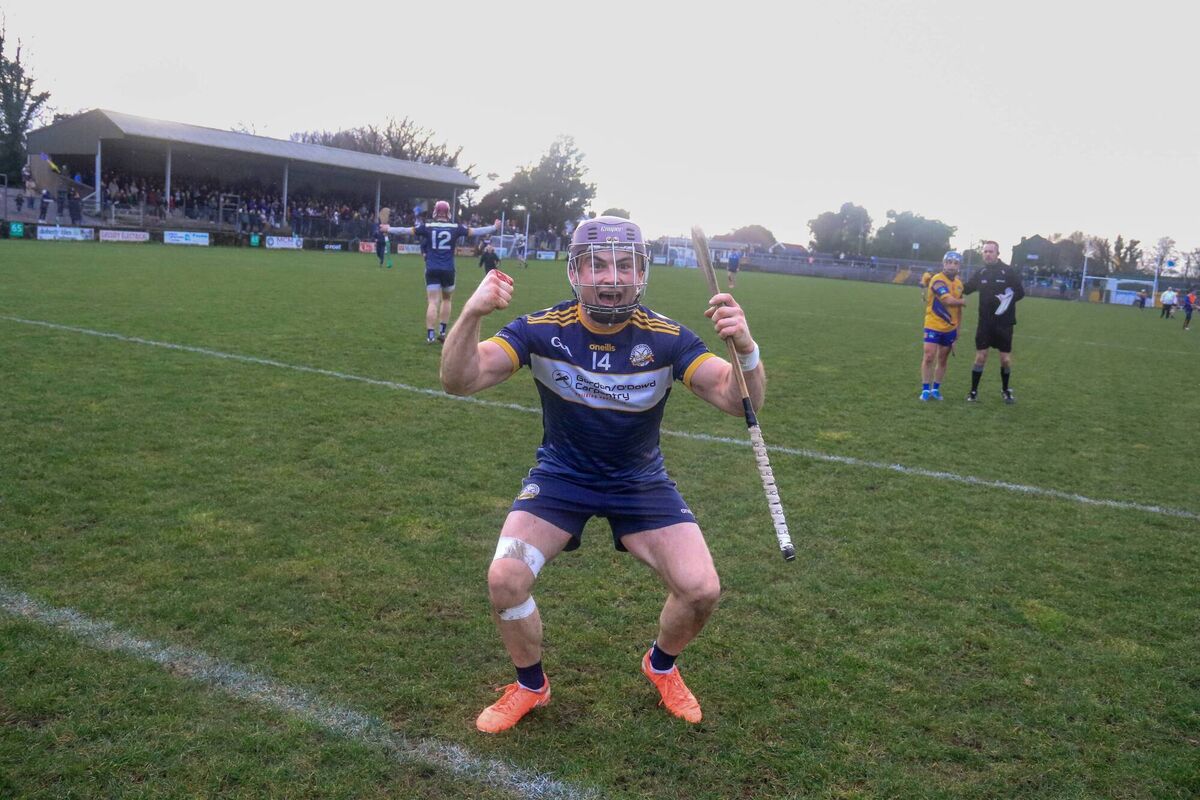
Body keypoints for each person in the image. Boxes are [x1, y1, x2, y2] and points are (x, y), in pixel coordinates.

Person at [440, 215, 766, 733]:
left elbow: (736, 399)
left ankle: (660, 666)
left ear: (642, 272)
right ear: (576, 270)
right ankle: (530, 685)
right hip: (562, 476)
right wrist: (473, 313)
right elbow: (460, 379)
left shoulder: (668, 339)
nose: (611, 278)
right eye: (597, 265)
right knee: (505, 578)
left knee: (702, 589)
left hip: (639, 481)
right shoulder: (541, 329)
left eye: (623, 265)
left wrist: (745, 349)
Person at [384, 200, 497, 343]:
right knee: (447, 299)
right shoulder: (455, 227)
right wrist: (494, 227)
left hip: (431, 267)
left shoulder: (428, 226)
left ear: (435, 212)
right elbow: (476, 232)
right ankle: (442, 331)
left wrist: (389, 228)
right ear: (448, 212)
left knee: (432, 301)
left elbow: (406, 230)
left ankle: (430, 335)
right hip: (448, 269)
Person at [963, 240, 1025, 404]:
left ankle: (1005, 390)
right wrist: (946, 284)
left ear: (998, 254)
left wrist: (1007, 298)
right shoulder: (981, 272)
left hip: (1004, 323)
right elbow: (967, 288)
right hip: (985, 323)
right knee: (980, 357)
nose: (988, 254)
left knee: (1005, 359)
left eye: (991, 251)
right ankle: (973, 391)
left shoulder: (1008, 271)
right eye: (985, 251)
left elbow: (1020, 292)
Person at [919, 252, 966, 401]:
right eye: (949, 262)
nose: (952, 265)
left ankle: (936, 389)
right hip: (933, 324)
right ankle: (925, 389)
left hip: (950, 328)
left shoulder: (959, 284)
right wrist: (962, 301)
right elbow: (947, 300)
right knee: (929, 356)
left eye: (955, 263)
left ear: (959, 266)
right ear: (944, 263)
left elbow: (957, 310)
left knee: (943, 359)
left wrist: (958, 328)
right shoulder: (937, 279)